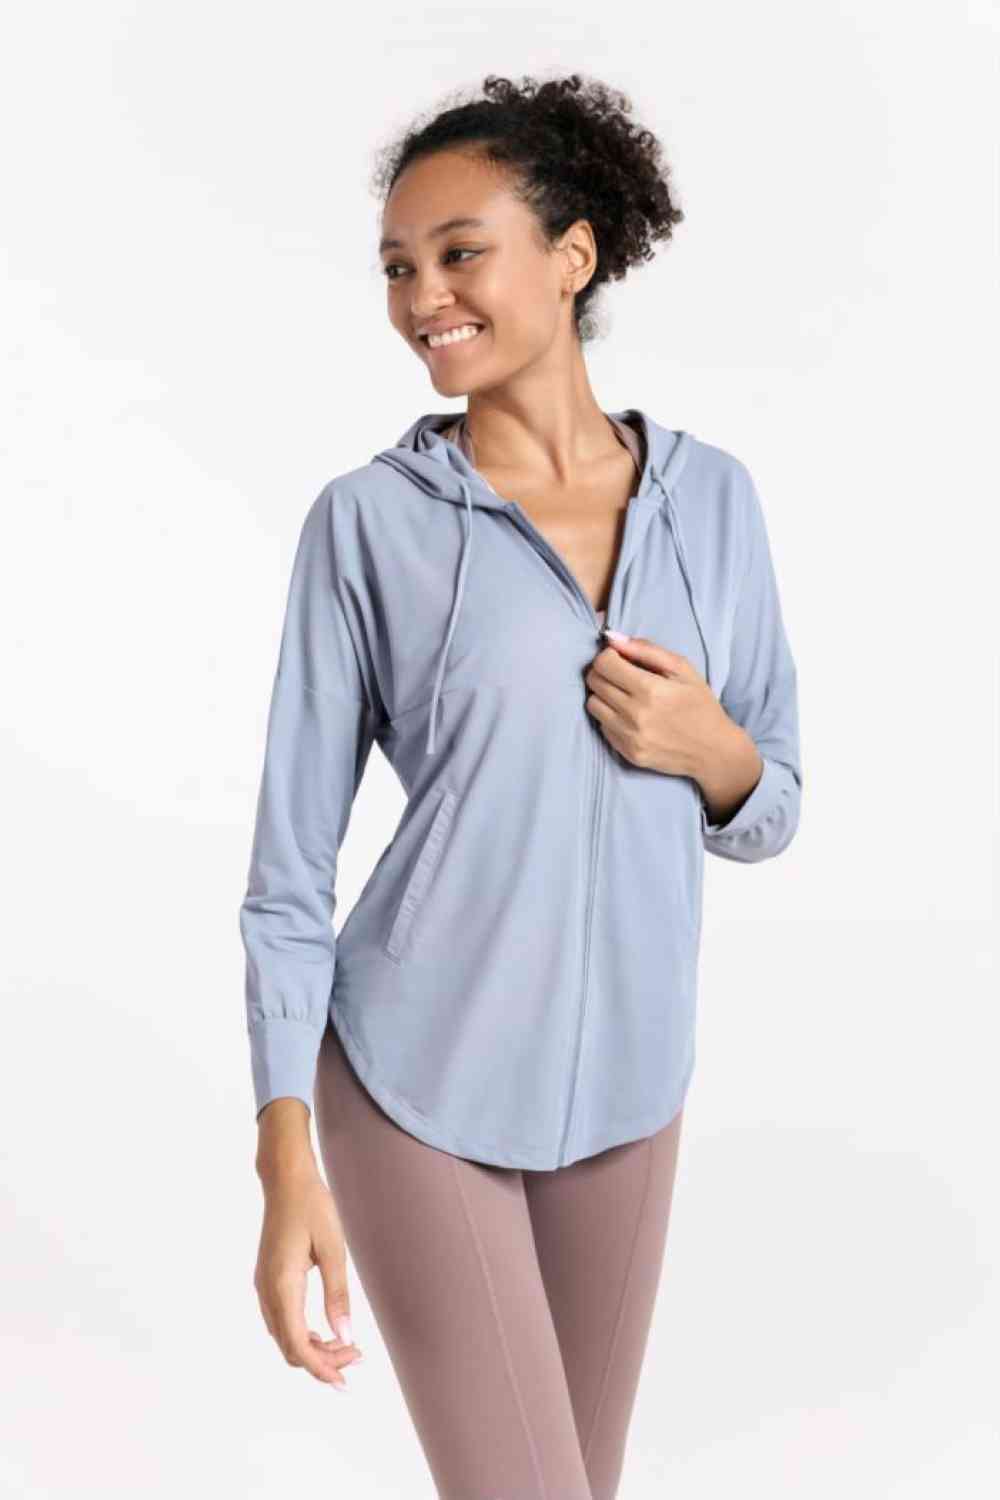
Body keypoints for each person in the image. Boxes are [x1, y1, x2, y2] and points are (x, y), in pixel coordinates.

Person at [239, 71, 803, 1500]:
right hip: (413, 1082)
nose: (422, 296)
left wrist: (713, 751)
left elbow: (772, 802)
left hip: (633, 1084)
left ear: (573, 255)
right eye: (397, 267)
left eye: (459, 252)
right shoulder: (367, 525)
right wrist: (285, 1158)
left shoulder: (715, 502)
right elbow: (289, 875)